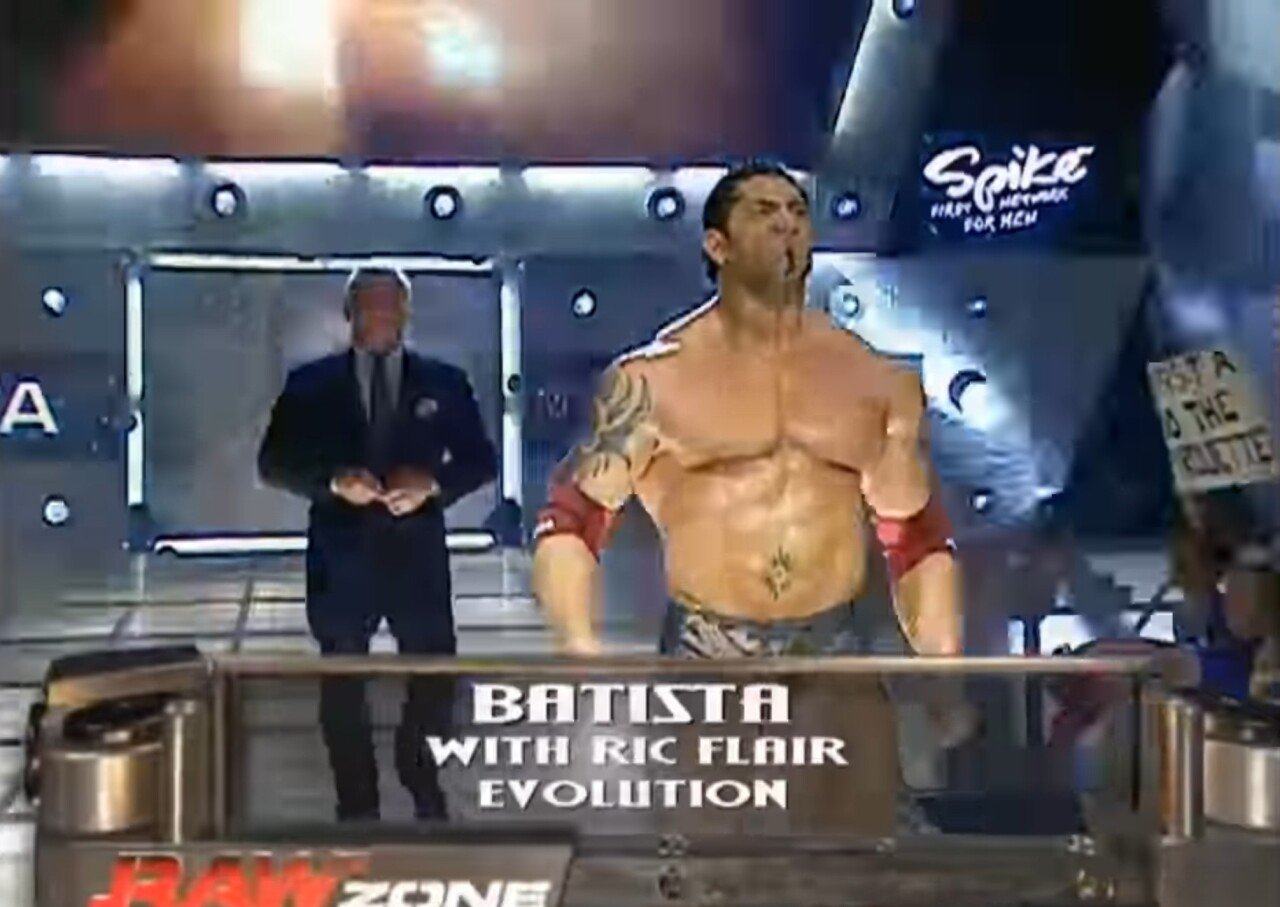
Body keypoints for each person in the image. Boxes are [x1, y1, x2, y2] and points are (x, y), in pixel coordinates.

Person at [530, 162, 967, 834]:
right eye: (764, 211)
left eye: (797, 210)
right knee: (713, 860)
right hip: (710, 652)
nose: (787, 223)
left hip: (835, 649)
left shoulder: (874, 380)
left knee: (864, 850)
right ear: (718, 245)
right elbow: (571, 522)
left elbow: (914, 537)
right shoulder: (653, 379)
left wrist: (942, 672)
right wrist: (580, 652)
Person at [258, 267, 497, 820]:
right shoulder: (311, 384)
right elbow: (273, 462)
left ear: (406, 314)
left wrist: (432, 485)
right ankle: (357, 800)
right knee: (342, 682)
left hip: (418, 557)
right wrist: (333, 481)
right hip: (341, 558)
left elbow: (481, 460)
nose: (381, 317)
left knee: (435, 673)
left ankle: (418, 769)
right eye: (370, 306)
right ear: (350, 313)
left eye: (391, 306)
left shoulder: (445, 381)